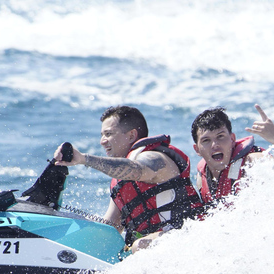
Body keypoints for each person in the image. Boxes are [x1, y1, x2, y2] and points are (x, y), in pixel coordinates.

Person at [52, 106, 203, 252]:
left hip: (188, 233)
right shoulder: (120, 183)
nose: (102, 141)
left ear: (131, 135)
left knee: (141, 245)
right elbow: (111, 227)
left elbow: (136, 169)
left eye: (108, 134)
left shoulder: (154, 157)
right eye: (102, 135)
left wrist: (84, 159)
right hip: (156, 244)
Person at [191, 104, 274, 205]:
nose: (215, 145)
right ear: (197, 150)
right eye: (206, 140)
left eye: (220, 136)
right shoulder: (202, 176)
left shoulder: (254, 163)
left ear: (232, 139)